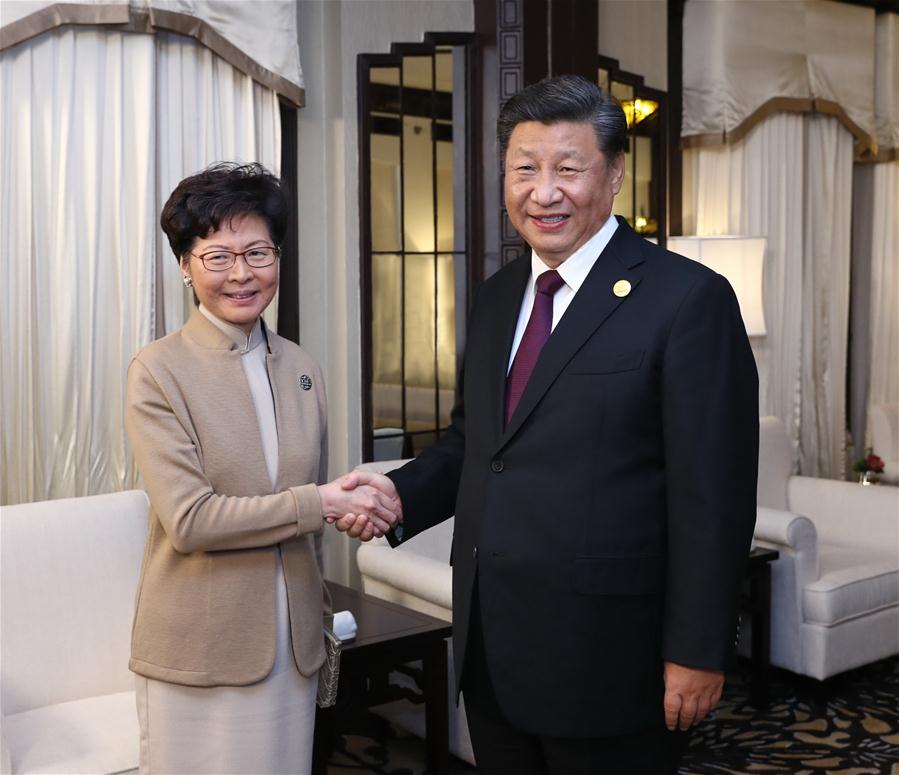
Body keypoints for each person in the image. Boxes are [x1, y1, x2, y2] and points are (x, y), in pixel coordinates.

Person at [339, 76, 759, 773]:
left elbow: (713, 496)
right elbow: (478, 445)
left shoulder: (687, 299)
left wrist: (697, 649)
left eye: (568, 168)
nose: (543, 192)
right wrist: (397, 495)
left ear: (614, 173)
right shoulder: (497, 296)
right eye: (524, 169)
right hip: (493, 645)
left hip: (611, 658)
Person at [125, 162, 399, 775]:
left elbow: (307, 519)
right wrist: (324, 502)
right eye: (218, 257)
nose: (242, 273)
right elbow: (191, 521)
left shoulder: (301, 367)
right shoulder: (158, 371)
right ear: (185, 265)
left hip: (294, 643)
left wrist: (345, 515)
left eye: (258, 252)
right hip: (202, 644)